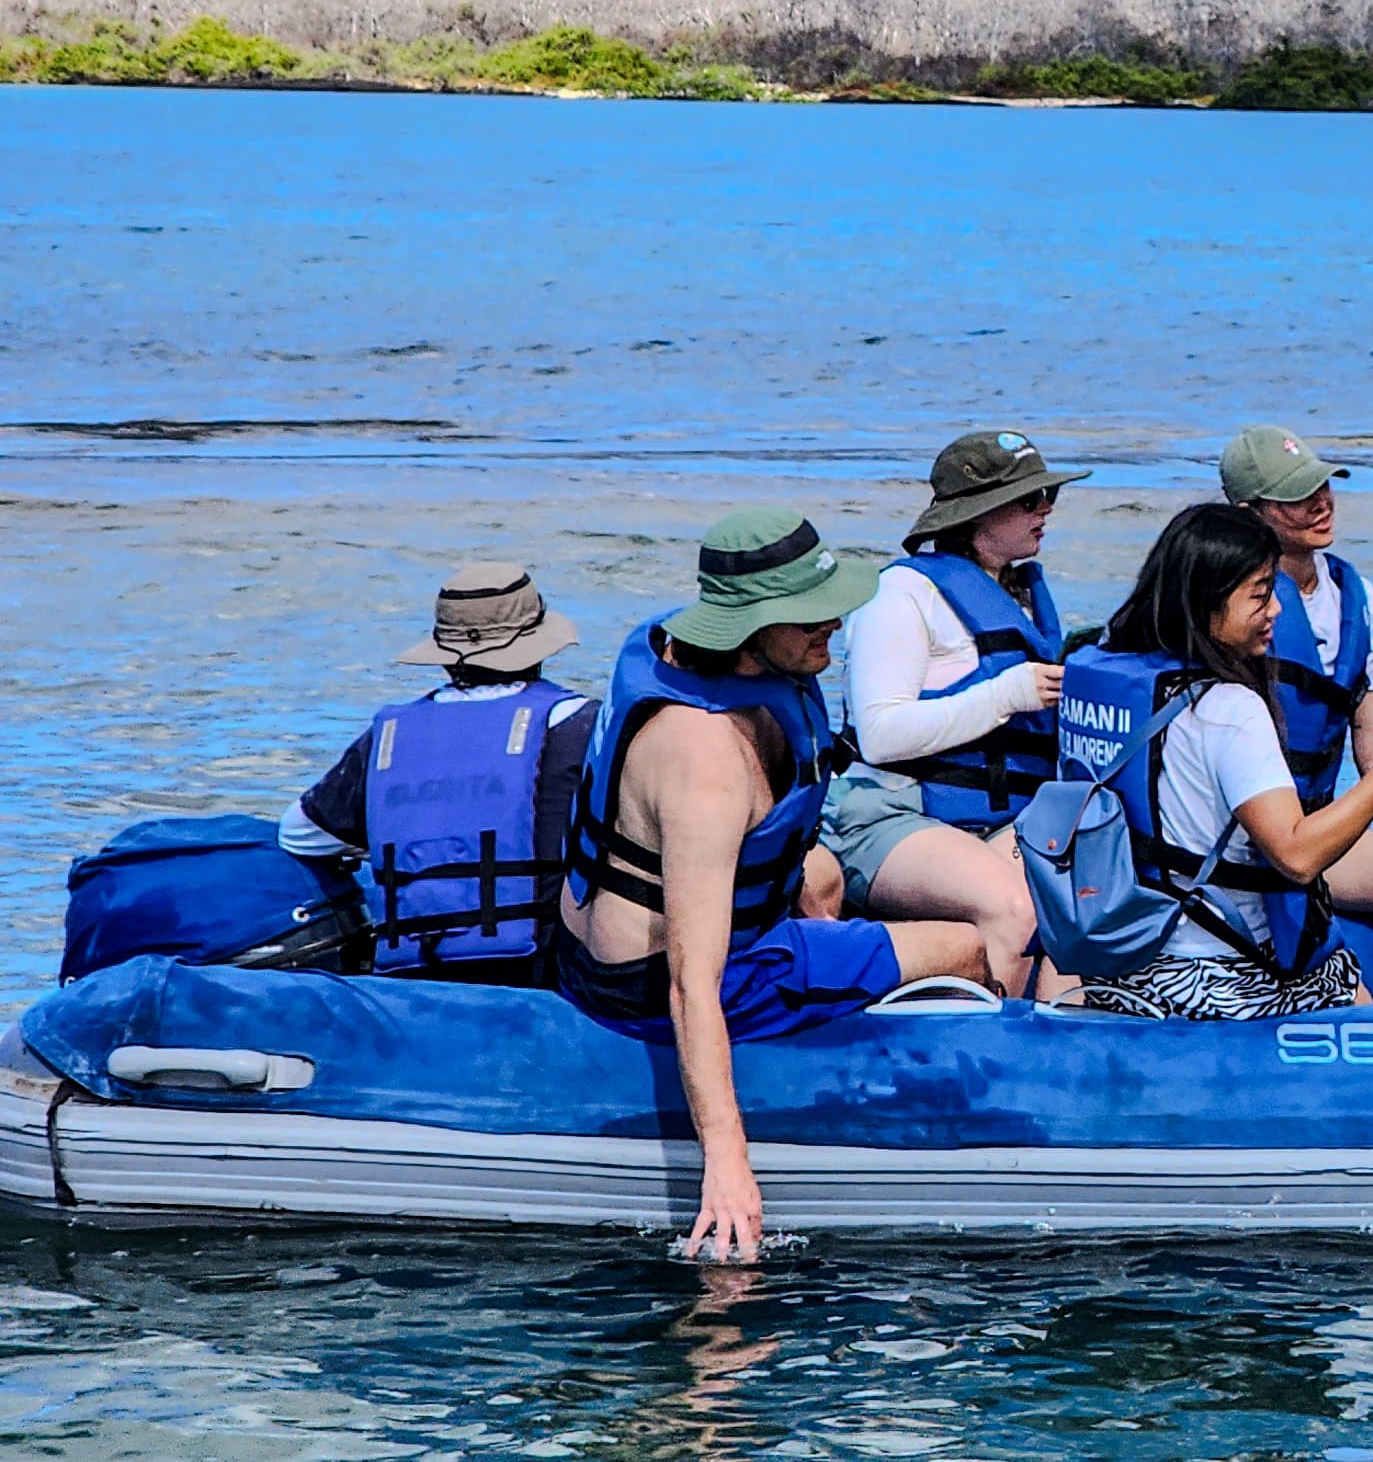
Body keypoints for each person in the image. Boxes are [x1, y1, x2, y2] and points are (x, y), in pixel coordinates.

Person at [558, 508, 989, 1263]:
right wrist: (727, 1165)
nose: (835, 624)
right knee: (968, 947)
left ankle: (827, 996)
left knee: (821, 872)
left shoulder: (686, 657)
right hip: (647, 985)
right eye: (811, 614)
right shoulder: (706, 760)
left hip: (598, 943)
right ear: (750, 626)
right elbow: (692, 982)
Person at [1066, 502, 1373, 1021]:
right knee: (1345, 982)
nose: (1277, 611)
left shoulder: (1110, 681)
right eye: (1261, 594)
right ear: (1208, 601)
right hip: (1215, 975)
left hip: (1124, 965)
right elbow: (1297, 856)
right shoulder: (1229, 709)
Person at [824, 431, 1086, 996]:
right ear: (977, 514)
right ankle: (985, 1041)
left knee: (1086, 906)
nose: (1045, 510)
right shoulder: (900, 595)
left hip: (1006, 819)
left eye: (1049, 497)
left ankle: (1062, 1034)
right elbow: (880, 734)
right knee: (1015, 907)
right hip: (889, 815)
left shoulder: (1019, 595)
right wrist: (1005, 695)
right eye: (1030, 499)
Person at [1218, 424, 1373, 1002]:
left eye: (1323, 486)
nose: (1321, 503)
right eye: (1297, 496)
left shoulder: (1359, 599)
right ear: (1250, 514)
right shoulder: (1231, 608)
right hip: (1244, 834)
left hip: (1320, 828)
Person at [280, 562, 600, 985]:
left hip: (415, 975)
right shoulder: (583, 725)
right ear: (539, 646)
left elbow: (298, 833)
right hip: (540, 973)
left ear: (444, 654)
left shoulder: (389, 736)